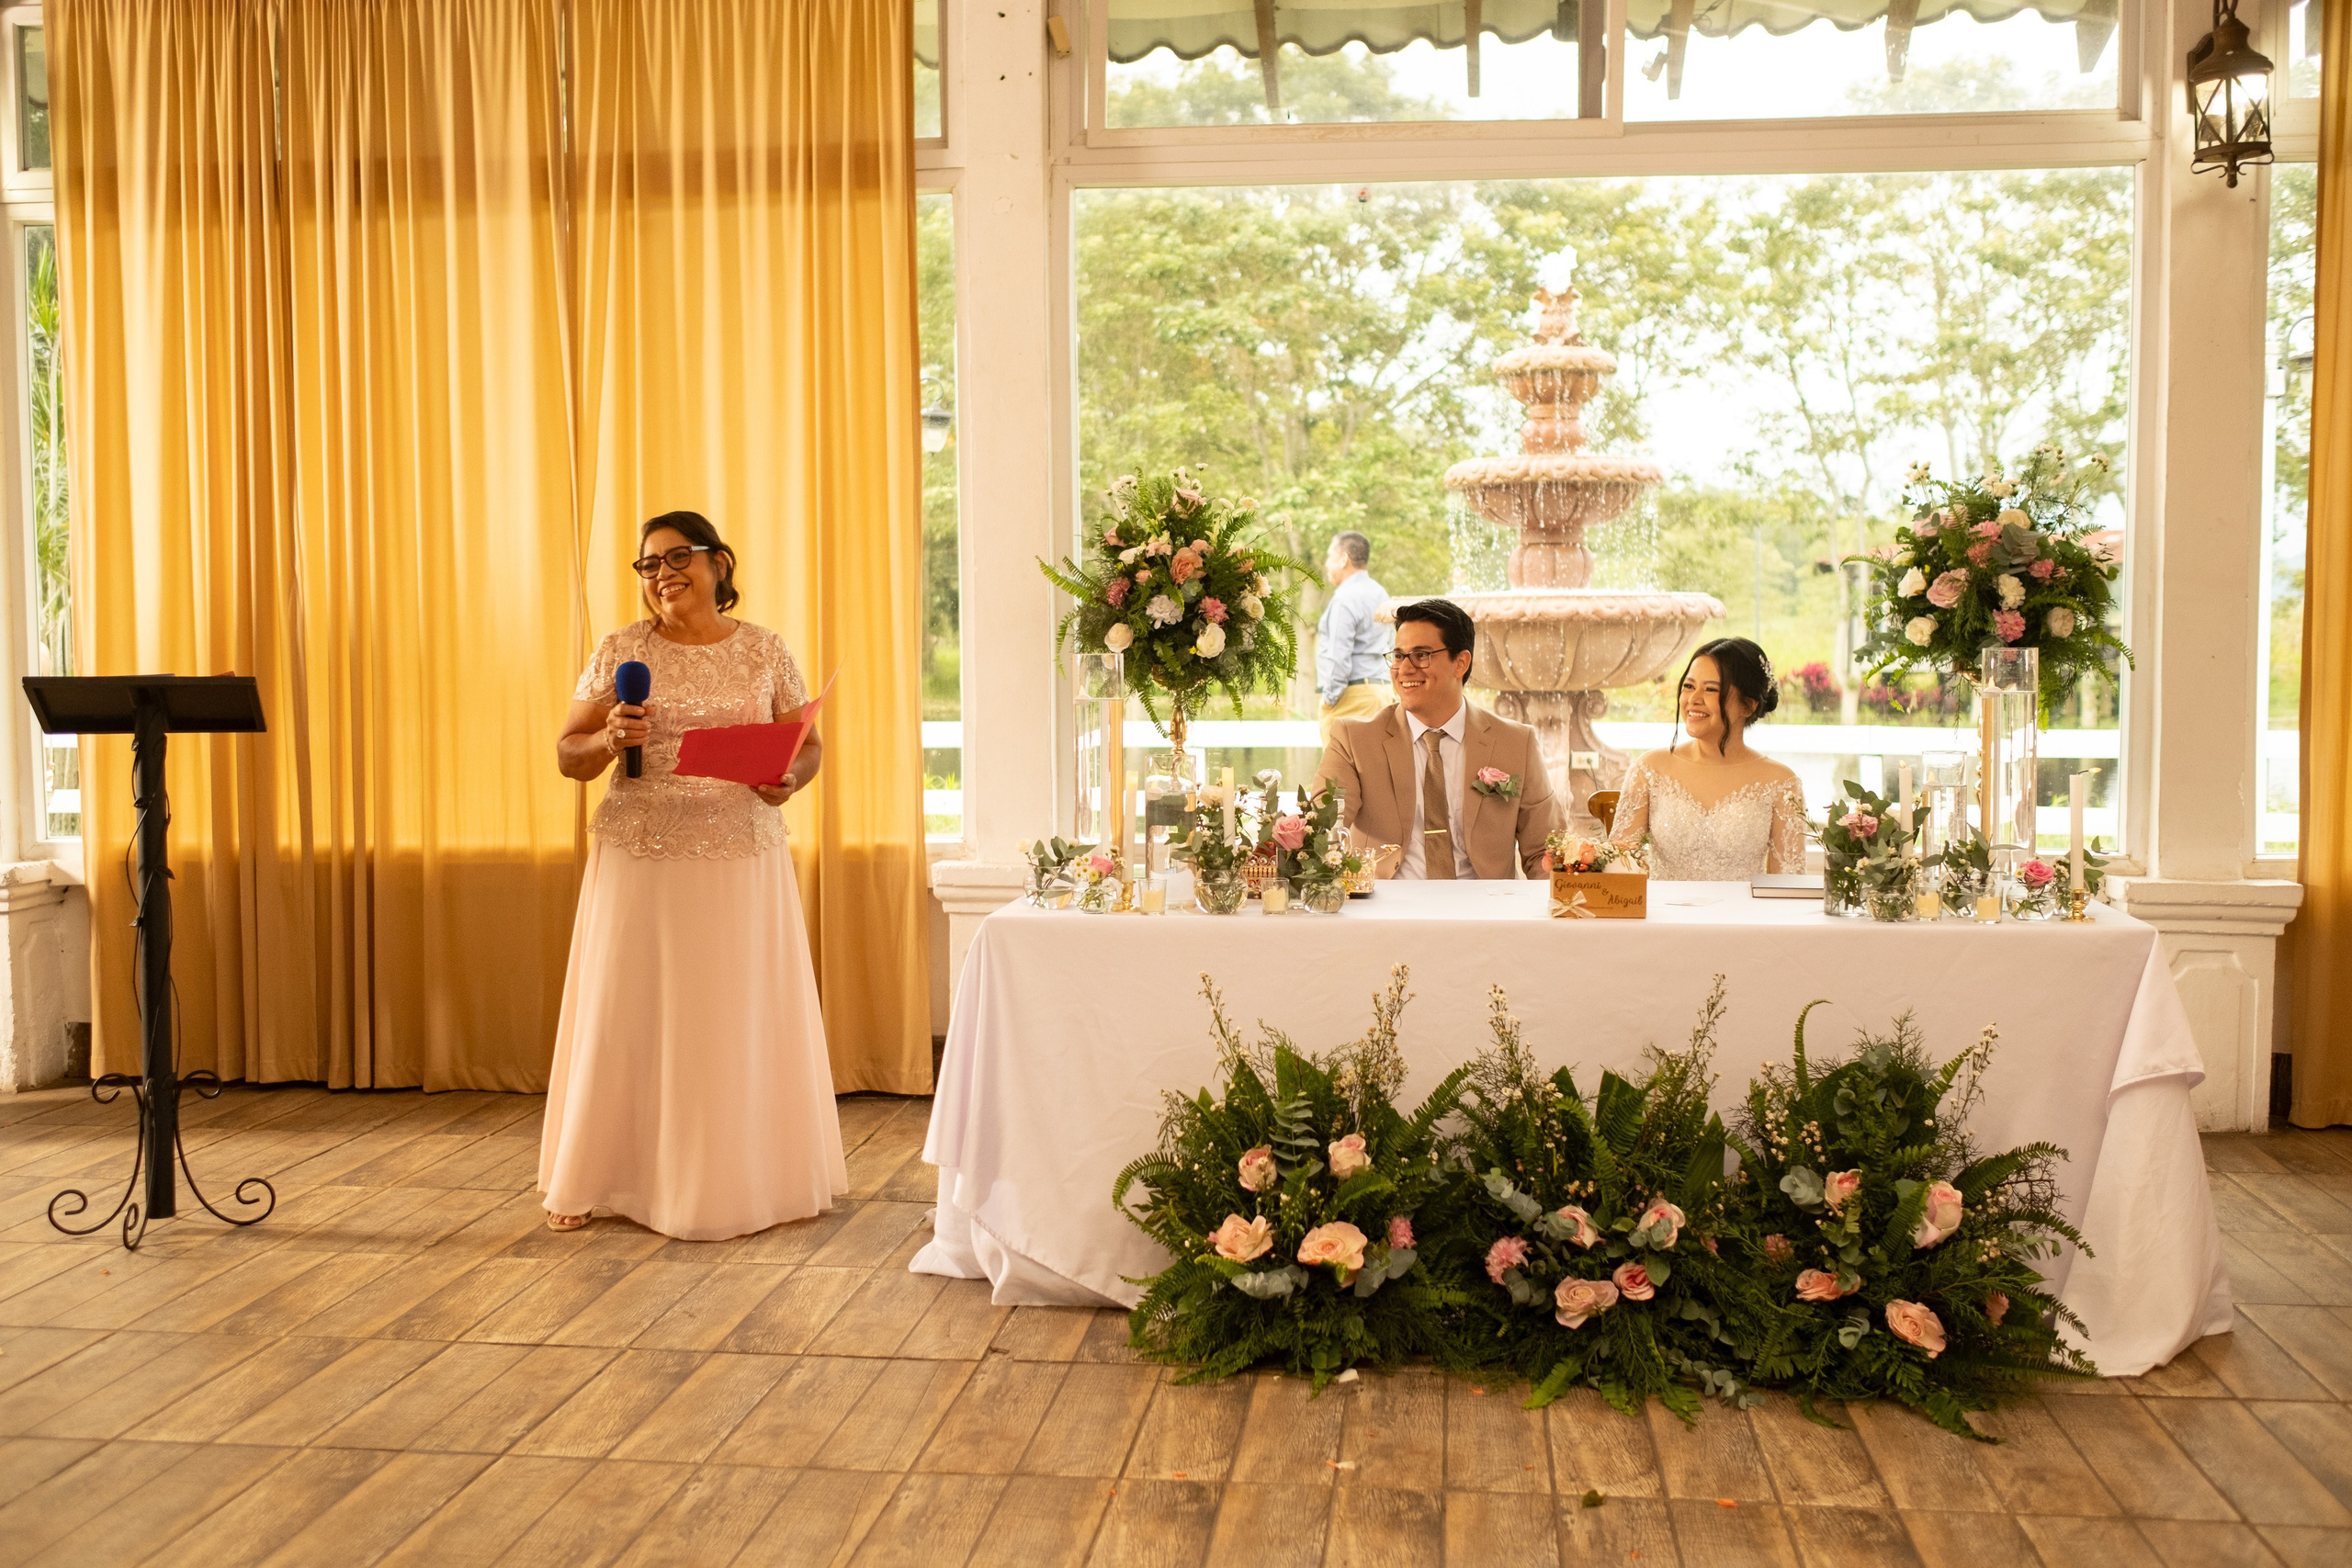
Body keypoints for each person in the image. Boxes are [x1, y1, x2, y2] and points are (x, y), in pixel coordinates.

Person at [539, 511, 847, 1238]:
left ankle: (746, 1174)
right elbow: (567, 753)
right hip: (642, 850)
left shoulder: (767, 651)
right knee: (627, 1009)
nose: (662, 574)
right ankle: (595, 1173)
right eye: (648, 565)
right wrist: (611, 737)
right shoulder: (620, 650)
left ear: (719, 563)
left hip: (742, 850)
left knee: (731, 1013)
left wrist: (790, 779)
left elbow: (809, 747)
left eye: (678, 557)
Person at [1313, 597, 1559, 879]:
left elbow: (1545, 851)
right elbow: (1323, 825)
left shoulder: (1516, 743)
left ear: (1460, 663)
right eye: (1398, 656)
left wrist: (1553, 911)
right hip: (1385, 911)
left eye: (1421, 655)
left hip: (1486, 911)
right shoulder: (1354, 740)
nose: (1404, 669)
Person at [1609, 637, 1808, 881]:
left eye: (1711, 689)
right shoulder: (1649, 770)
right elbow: (1616, 870)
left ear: (1748, 706)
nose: (1693, 699)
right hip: (1665, 917)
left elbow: (1790, 884)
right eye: (1689, 686)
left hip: (1743, 918)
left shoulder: (1782, 783)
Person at [1316, 531, 1390, 746]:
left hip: (1353, 697)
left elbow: (1338, 657)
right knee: (1374, 774)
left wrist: (1329, 700)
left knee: (1340, 776)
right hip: (1382, 693)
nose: (1327, 564)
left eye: (1330, 557)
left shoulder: (1345, 599)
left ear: (1343, 560)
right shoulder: (1380, 593)